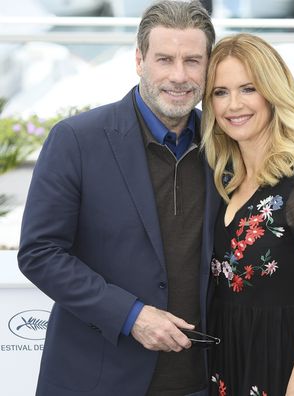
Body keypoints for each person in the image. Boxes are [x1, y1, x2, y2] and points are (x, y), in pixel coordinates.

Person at [17, 1, 219, 395]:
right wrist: (132, 316)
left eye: (193, 61)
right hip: (98, 378)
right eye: (165, 59)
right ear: (140, 60)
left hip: (201, 379)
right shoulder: (76, 139)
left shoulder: (226, 145)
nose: (179, 76)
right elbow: (39, 252)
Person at [201, 33, 294, 396]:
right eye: (220, 92)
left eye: (248, 89)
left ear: (272, 92)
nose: (233, 105)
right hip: (227, 363)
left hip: (284, 367)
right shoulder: (224, 178)